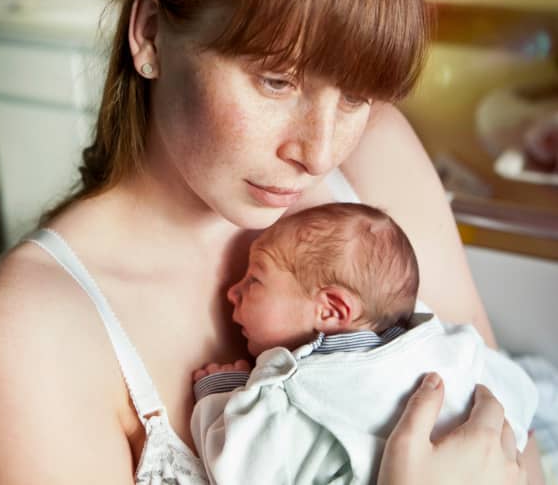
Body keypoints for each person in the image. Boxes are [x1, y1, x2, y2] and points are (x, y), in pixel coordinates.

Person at [0, 0, 543, 484]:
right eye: (277, 81)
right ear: (150, 32)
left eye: (355, 96)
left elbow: (516, 437)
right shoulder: (32, 326)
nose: (318, 153)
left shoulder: (374, 156)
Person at [190, 202, 538, 484]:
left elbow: (241, 467)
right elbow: (517, 391)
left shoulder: (304, 390)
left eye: (255, 279)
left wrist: (223, 394)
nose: (232, 291)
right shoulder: (446, 341)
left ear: (330, 309)